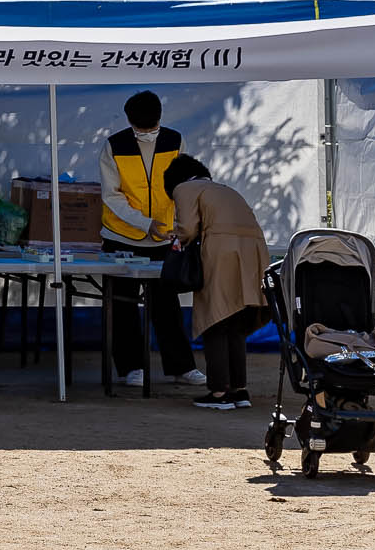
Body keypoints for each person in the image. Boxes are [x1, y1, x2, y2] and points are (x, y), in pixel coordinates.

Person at [100, 91, 203, 389]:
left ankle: (181, 367)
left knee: (167, 304)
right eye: (141, 128)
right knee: (124, 305)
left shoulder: (175, 141)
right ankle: (131, 368)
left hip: (164, 237)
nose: (147, 132)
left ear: (160, 119)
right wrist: (145, 223)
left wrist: (176, 225)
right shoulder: (114, 146)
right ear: (130, 121)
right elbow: (111, 195)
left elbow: (186, 185)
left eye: (151, 126)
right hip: (122, 236)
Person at [166, 155, 269, 412]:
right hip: (254, 253)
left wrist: (173, 236)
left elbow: (187, 229)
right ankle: (238, 389)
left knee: (215, 320)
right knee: (235, 323)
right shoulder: (225, 190)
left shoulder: (185, 188)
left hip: (222, 254)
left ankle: (219, 391)